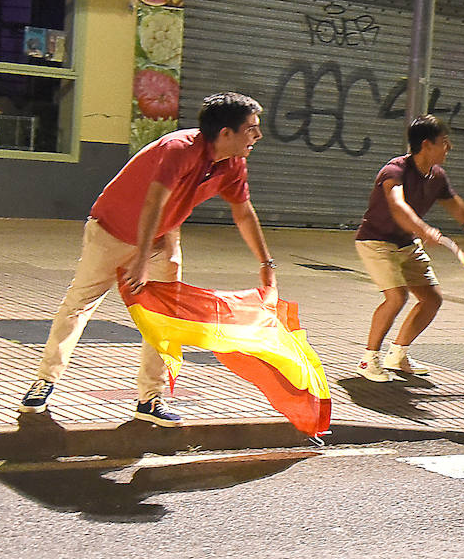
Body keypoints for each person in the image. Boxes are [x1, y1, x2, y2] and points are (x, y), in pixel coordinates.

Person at [19, 92, 274, 426]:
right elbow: (154, 202)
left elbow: (243, 213)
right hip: (111, 232)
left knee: (165, 317)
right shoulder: (179, 148)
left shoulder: (233, 164)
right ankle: (45, 381)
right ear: (226, 133)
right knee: (79, 305)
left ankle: (149, 399)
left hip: (161, 237)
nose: (258, 136)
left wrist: (266, 263)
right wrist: (139, 258)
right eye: (251, 129)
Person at [353, 115, 464, 382]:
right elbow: (398, 206)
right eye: (445, 143)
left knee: (432, 299)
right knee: (396, 297)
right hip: (376, 242)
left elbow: (461, 211)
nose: (449, 148)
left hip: (406, 243)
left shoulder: (436, 176)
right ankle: (368, 359)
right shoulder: (394, 171)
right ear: (427, 145)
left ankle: (398, 354)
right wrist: (424, 230)